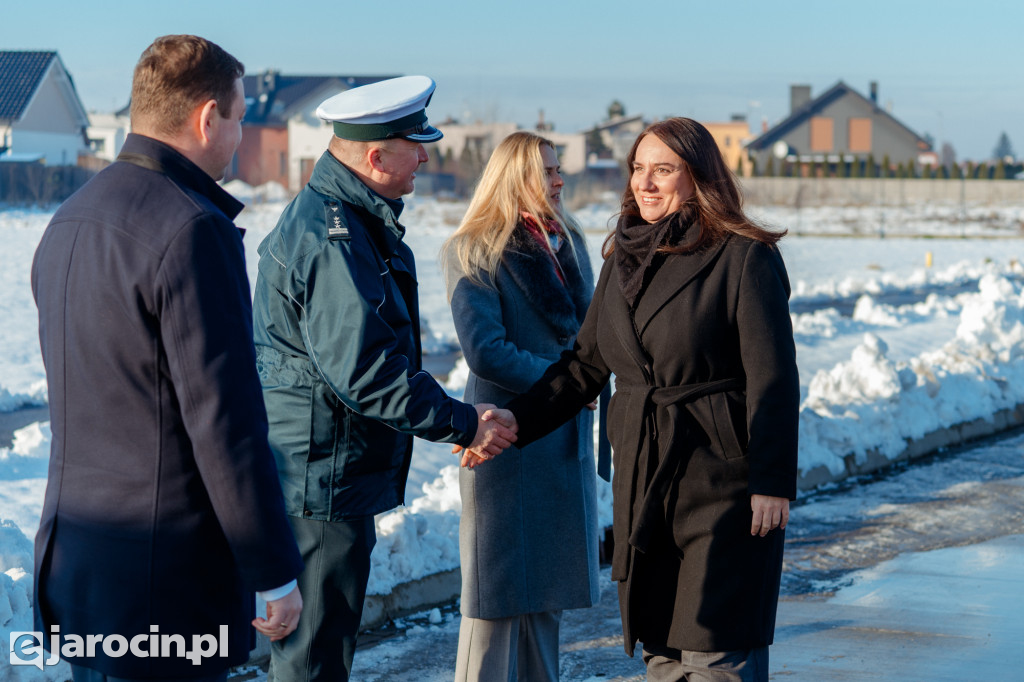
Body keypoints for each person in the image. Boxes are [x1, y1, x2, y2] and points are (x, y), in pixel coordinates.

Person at [31, 35, 304, 681]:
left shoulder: (70, 217)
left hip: (81, 564)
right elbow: (224, 423)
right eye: (239, 118)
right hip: (164, 583)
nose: (240, 136)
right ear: (208, 117)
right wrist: (271, 570)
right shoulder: (190, 229)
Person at [502, 117, 799, 682]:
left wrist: (772, 482)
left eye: (663, 169)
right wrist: (510, 424)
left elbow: (774, 378)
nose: (646, 183)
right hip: (644, 481)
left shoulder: (743, 256)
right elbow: (585, 364)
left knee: (717, 653)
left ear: (699, 176)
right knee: (662, 652)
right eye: (639, 169)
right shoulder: (624, 258)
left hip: (721, 482)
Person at [251, 75, 518, 682]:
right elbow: (366, 370)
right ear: (375, 156)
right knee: (313, 655)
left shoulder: (347, 219)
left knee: (321, 647)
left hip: (328, 469)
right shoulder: (335, 235)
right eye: (415, 143)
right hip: (323, 476)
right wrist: (461, 422)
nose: (426, 155)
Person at [441, 132, 600, 681]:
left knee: (546, 600)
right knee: (496, 599)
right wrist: (568, 386)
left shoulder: (569, 242)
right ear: (514, 177)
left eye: (559, 170)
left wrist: (579, 385)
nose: (559, 181)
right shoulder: (474, 248)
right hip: (503, 438)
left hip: (559, 440)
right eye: (547, 172)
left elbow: (592, 340)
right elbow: (486, 352)